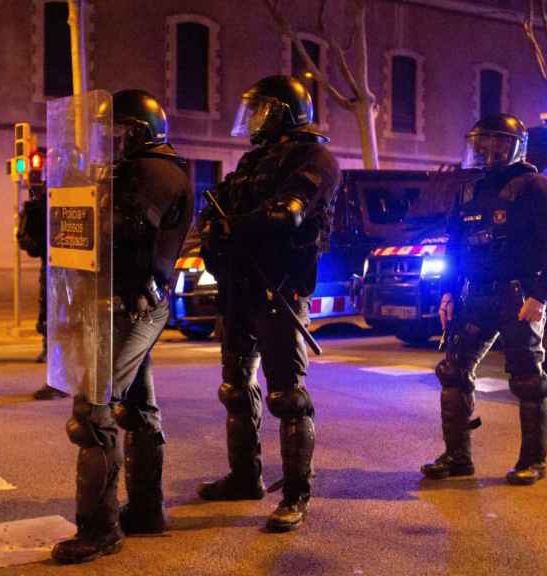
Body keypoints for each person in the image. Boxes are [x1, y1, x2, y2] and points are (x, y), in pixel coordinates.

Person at [51, 89, 194, 564]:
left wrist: (83, 199)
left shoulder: (155, 172)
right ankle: (148, 512)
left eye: (114, 131)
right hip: (115, 301)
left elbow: (122, 228)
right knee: (137, 406)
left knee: (93, 414)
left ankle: (100, 529)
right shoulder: (123, 173)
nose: (105, 141)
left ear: (137, 131)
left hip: (136, 303)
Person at [196, 76, 339, 533]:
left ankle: (297, 494)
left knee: (287, 397)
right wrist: (217, 230)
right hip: (239, 290)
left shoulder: (315, 159)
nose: (253, 120)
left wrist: (234, 227)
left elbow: (285, 214)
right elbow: (219, 209)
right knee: (235, 390)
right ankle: (245, 477)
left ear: (284, 112)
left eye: (261, 111)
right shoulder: (253, 161)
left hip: (279, 289)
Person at [420, 114, 547, 486]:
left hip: (519, 299)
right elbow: (454, 250)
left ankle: (532, 461)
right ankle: (457, 457)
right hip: (475, 296)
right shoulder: (469, 192)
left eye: (497, 145)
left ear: (516, 146)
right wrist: (447, 293)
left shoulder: (538, 188)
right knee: (453, 372)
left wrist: (540, 296)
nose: (487, 153)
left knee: (528, 382)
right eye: (481, 145)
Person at [17, 173, 69, 400]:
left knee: (65, 317)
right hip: (51, 263)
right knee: (48, 310)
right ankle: (51, 354)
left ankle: (63, 376)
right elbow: (34, 242)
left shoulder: (79, 188)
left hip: (72, 267)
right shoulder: (48, 193)